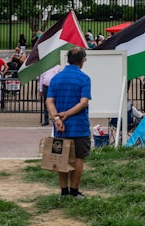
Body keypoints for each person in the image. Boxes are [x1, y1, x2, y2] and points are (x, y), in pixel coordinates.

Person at [46, 47, 92, 199]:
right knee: (78, 158)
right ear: (81, 60)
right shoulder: (84, 78)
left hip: (60, 128)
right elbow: (83, 102)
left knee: (61, 157)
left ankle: (64, 191)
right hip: (79, 126)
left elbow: (49, 101)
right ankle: (74, 191)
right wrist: (67, 114)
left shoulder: (56, 78)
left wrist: (57, 118)